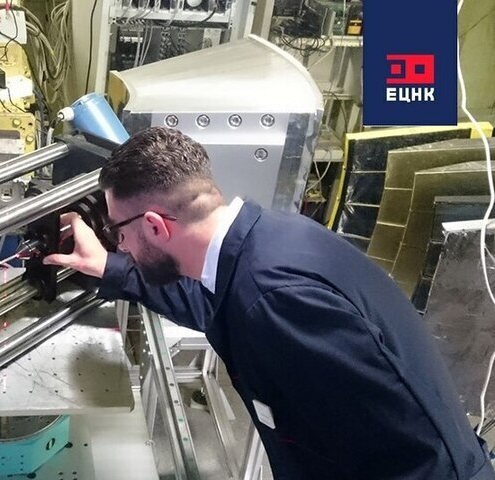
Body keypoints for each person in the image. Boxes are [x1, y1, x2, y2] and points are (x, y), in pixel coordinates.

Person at [43, 126, 495, 479]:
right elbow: (213, 304)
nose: (121, 245)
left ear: (157, 226)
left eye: (119, 233)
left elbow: (396, 445)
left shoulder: (275, 299)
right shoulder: (266, 243)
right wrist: (108, 267)